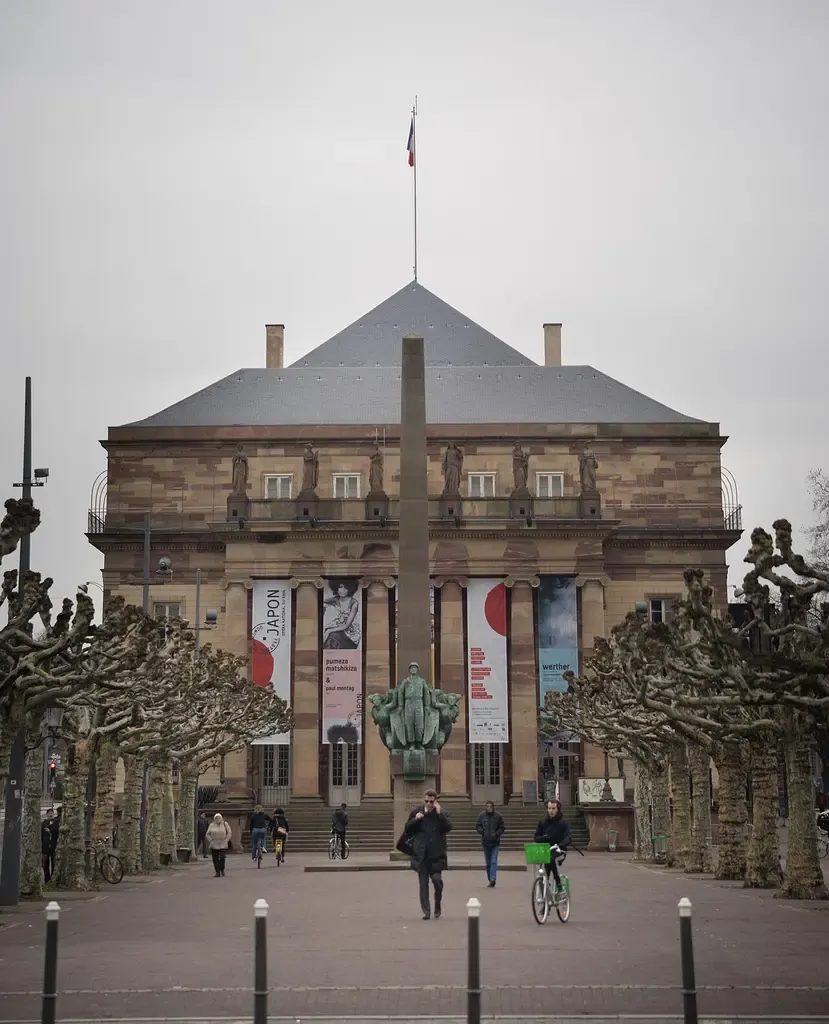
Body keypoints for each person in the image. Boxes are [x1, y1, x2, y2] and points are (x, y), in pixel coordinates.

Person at [404, 789, 452, 920]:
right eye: (426, 801)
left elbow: (448, 828)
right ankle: (426, 911)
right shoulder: (417, 811)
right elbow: (407, 829)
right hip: (421, 854)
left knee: (437, 881)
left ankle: (437, 904)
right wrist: (415, 819)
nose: (429, 804)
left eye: (431, 801)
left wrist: (439, 813)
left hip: (436, 855)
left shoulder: (441, 813)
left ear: (435, 801)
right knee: (423, 884)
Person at [534, 799, 572, 893]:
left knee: (550, 859)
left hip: (559, 849)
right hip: (546, 850)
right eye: (549, 808)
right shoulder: (542, 822)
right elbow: (536, 837)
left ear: (558, 809)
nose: (551, 811)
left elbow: (569, 836)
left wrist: (562, 844)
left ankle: (557, 880)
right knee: (547, 860)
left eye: (553, 808)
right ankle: (546, 884)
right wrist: (544, 838)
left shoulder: (563, 823)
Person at [475, 800, 505, 887]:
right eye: (487, 806)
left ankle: (492, 879)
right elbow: (478, 825)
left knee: (493, 861)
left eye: (490, 807)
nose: (489, 808)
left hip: (495, 842)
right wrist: (482, 832)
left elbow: (502, 827)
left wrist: (497, 834)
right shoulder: (482, 816)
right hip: (485, 842)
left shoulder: (498, 816)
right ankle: (490, 879)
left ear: (493, 807)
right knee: (488, 863)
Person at [206, 813, 231, 877]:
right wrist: (211, 840)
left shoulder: (225, 824)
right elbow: (207, 834)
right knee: (215, 858)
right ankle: (217, 872)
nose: (217, 819)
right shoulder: (211, 825)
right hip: (214, 843)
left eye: (219, 818)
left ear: (221, 818)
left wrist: (226, 840)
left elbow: (229, 833)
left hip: (222, 843)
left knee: (222, 857)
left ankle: (222, 869)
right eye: (216, 818)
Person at [41, 808, 59, 883]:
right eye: (49, 813)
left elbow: (57, 831)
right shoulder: (43, 823)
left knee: (54, 863)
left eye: (52, 813)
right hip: (45, 847)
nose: (51, 814)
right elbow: (41, 834)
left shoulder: (56, 823)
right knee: (45, 865)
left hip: (54, 847)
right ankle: (47, 879)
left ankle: (53, 879)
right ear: (47, 814)